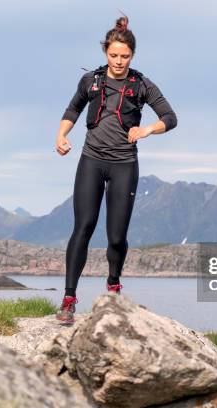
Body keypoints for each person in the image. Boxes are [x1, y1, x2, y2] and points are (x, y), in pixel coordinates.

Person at [54, 15, 177, 323]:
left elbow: (170, 117)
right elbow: (73, 109)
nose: (119, 61)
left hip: (124, 164)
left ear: (132, 55)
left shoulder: (141, 84)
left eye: (124, 56)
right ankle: (69, 298)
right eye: (113, 55)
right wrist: (61, 134)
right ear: (105, 52)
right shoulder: (91, 81)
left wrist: (147, 130)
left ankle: (113, 286)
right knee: (83, 228)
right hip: (91, 161)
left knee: (117, 236)